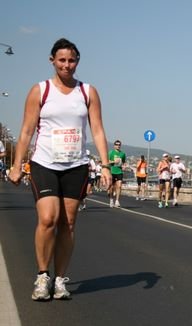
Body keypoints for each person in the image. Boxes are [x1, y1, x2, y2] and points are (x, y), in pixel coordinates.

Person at [8, 38, 111, 300]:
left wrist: (106, 165)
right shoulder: (40, 91)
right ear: (52, 60)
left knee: (69, 223)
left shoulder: (87, 92)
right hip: (44, 163)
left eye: (72, 60)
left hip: (76, 165)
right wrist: (17, 165)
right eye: (62, 60)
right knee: (47, 218)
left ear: (78, 61)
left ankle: (60, 279)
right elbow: (26, 131)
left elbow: (97, 129)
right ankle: (43, 276)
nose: (67, 65)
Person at [108, 140, 126, 208]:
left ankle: (117, 201)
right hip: (112, 171)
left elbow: (124, 162)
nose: (118, 146)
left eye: (119, 145)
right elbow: (107, 161)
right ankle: (111, 200)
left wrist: (124, 166)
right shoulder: (111, 152)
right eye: (116, 144)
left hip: (119, 171)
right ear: (114, 145)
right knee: (112, 187)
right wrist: (113, 161)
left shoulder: (123, 154)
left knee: (119, 186)